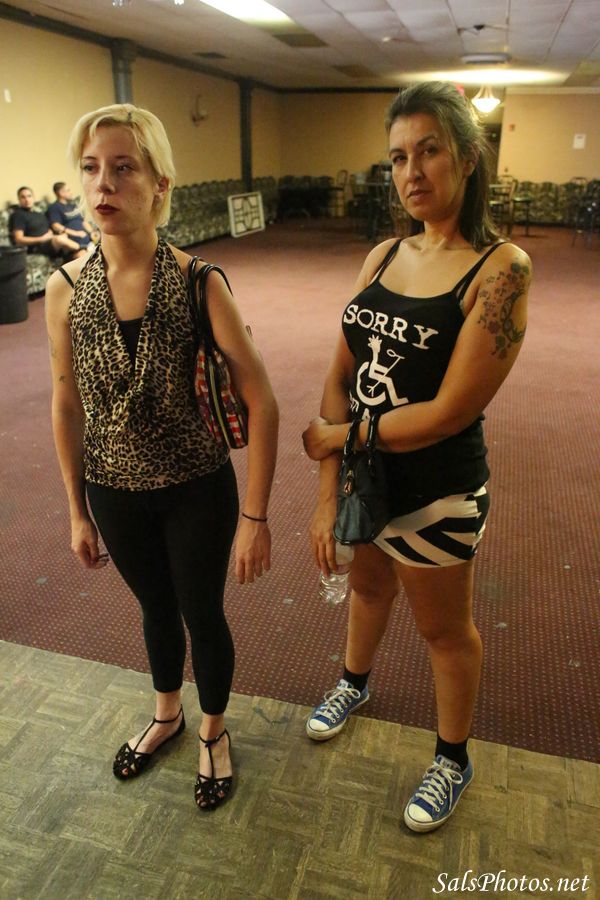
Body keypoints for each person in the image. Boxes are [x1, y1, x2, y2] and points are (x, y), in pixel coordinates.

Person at [302, 81, 531, 833]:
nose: (412, 171)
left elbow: (449, 412)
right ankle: (354, 681)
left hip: (437, 490)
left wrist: (341, 440)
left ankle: (452, 757)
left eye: (429, 151)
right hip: (368, 480)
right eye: (398, 157)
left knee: (443, 630)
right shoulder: (383, 254)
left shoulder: (501, 269)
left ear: (467, 158)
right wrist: (328, 491)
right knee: (369, 589)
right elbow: (339, 372)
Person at [45, 103, 278, 811]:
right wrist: (76, 510)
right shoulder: (64, 289)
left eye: (124, 168)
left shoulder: (198, 281)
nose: (103, 185)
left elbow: (262, 400)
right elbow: (66, 401)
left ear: (160, 185)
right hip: (113, 490)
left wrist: (255, 517)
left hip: (194, 486)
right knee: (154, 608)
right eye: (91, 169)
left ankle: (212, 730)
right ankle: (167, 714)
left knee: (201, 611)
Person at [11, 186, 83, 258]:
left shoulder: (38, 214)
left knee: (80, 254)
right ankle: (83, 247)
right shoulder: (18, 215)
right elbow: (19, 239)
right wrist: (42, 239)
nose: (27, 200)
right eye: (23, 197)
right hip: (37, 247)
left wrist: (60, 233)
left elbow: (50, 228)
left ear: (33, 198)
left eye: (29, 196)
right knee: (59, 239)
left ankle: (81, 251)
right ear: (19, 199)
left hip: (51, 242)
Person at [47, 181, 98, 253]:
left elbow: (83, 221)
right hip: (74, 242)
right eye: (68, 190)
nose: (71, 193)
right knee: (84, 255)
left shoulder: (73, 206)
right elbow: (56, 226)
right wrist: (76, 233)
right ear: (61, 193)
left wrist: (92, 232)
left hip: (88, 238)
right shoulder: (54, 207)